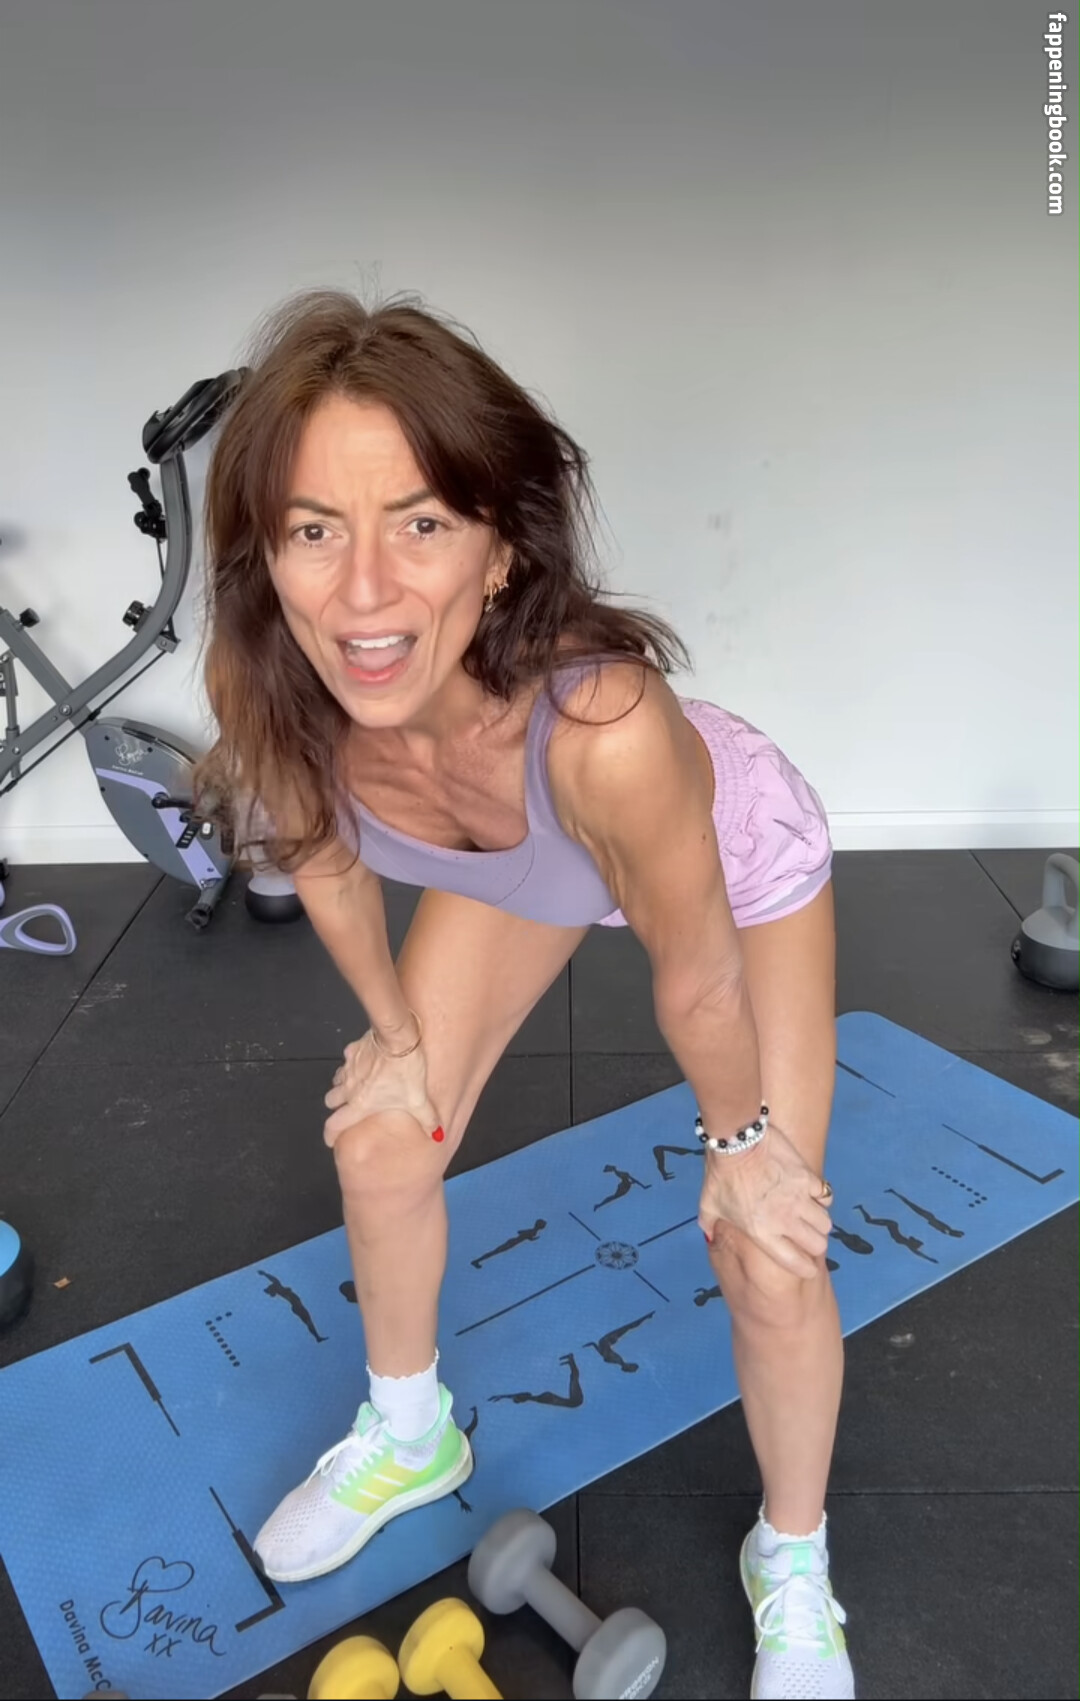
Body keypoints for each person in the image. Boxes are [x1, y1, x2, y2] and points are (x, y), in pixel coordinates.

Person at [196, 290, 854, 1701]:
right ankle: (410, 1430)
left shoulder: (607, 732)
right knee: (384, 1134)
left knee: (769, 1248)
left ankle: (792, 1557)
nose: (363, 594)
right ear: (268, 552)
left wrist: (741, 1150)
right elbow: (327, 862)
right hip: (523, 864)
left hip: (720, 867)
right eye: (315, 529)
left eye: (421, 523)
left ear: (500, 551)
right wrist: (392, 1039)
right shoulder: (277, 684)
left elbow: (697, 971)